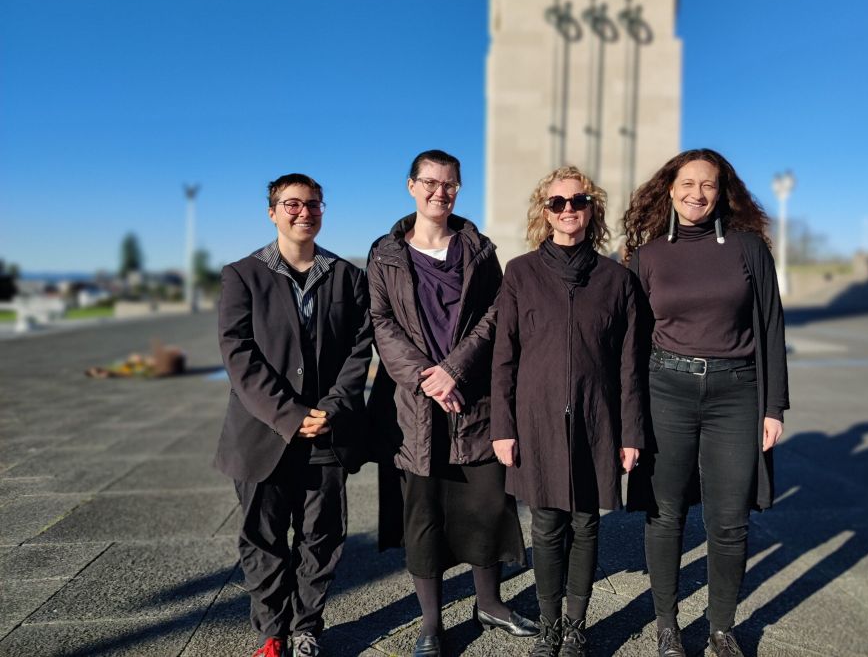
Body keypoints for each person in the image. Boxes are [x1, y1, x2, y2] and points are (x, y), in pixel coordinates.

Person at [367, 149, 536, 657]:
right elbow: (380, 322)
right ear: (412, 186)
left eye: (451, 184)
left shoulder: (480, 250)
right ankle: (432, 624)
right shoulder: (385, 254)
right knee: (424, 515)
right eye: (431, 183)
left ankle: (490, 603)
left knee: (487, 505)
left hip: (473, 398)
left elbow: (496, 313)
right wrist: (427, 378)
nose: (441, 192)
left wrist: (454, 370)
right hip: (415, 408)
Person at [623, 149, 790, 657]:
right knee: (666, 510)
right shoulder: (648, 256)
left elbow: (770, 326)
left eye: (709, 185)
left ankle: (722, 627)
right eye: (688, 183)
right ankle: (667, 625)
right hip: (665, 389)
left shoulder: (748, 249)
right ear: (669, 189)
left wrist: (773, 405)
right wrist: (627, 416)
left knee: (728, 516)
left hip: (736, 393)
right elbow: (631, 338)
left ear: (722, 193)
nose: (697, 193)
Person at [214, 173, 373, 657]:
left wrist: (332, 408)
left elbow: (360, 348)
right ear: (272, 212)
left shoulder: (347, 276)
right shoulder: (242, 275)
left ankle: (306, 625)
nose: (304, 212)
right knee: (262, 537)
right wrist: (287, 414)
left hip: (326, 432)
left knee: (320, 536)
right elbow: (237, 352)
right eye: (292, 204)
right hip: (262, 431)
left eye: (314, 204)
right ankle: (272, 630)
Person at [491, 166, 645, 657]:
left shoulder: (617, 279)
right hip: (536, 421)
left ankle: (577, 626)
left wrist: (631, 432)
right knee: (547, 525)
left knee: (585, 523)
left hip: (596, 419)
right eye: (557, 203)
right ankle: (550, 623)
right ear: (546, 212)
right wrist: (503, 426)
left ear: (591, 208)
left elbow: (630, 363)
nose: (568, 210)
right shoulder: (521, 272)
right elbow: (504, 356)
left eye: (577, 201)